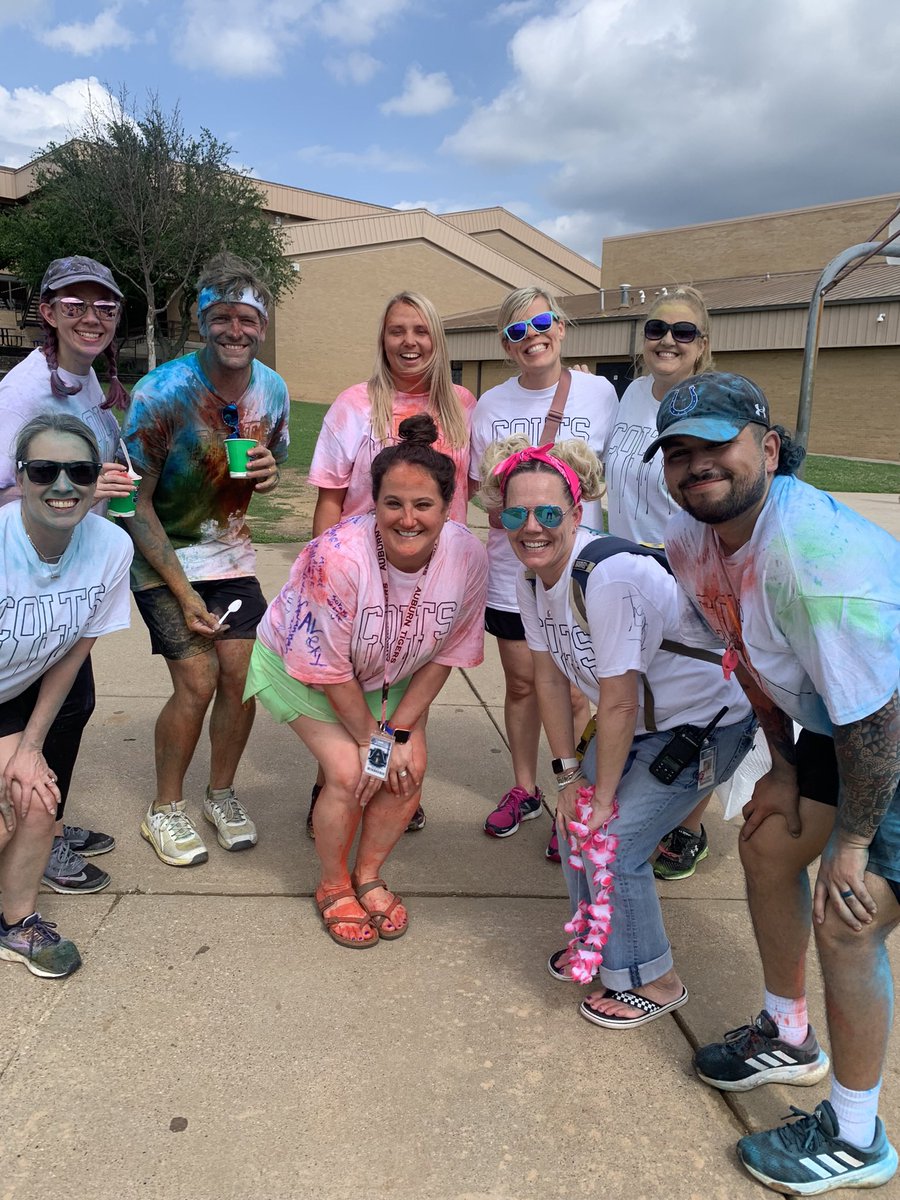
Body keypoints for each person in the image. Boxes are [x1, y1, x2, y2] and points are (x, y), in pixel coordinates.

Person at [645, 371, 900, 1193]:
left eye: (716, 443)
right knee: (766, 846)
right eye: (679, 452)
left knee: (847, 920)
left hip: (885, 725)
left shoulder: (816, 556)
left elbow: (878, 725)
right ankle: (789, 1035)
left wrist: (854, 843)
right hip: (843, 718)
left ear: (769, 448)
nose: (697, 465)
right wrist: (783, 771)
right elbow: (747, 654)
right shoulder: (696, 535)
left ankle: (858, 1138)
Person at [479, 435, 754, 1024]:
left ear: (577, 514)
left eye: (549, 513)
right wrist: (568, 777)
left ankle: (657, 980)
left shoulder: (607, 577)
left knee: (616, 841)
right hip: (644, 723)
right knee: (578, 822)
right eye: (515, 513)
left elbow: (620, 701)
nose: (532, 527)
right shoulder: (531, 579)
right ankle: (598, 942)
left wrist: (602, 799)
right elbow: (550, 680)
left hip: (705, 724)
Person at [246, 414, 487, 947]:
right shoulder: (336, 559)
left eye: (423, 505)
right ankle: (333, 884)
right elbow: (329, 669)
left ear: (448, 508)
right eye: (392, 503)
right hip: (304, 667)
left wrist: (398, 737)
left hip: (390, 672)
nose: (407, 518)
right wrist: (373, 743)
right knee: (349, 769)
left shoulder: (468, 556)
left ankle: (368, 873)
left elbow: (448, 651)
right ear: (372, 502)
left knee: (410, 768)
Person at [121, 251, 289, 867]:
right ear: (201, 320)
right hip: (162, 558)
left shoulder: (273, 390)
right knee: (197, 681)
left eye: (248, 319)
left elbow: (266, 466)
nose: (236, 331)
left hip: (231, 555)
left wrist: (269, 475)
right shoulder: (160, 392)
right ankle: (164, 808)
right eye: (222, 317)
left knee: (243, 679)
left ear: (262, 326)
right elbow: (133, 505)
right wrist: (183, 591)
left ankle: (221, 793)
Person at [306, 290, 476, 835]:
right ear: (383, 339)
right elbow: (330, 498)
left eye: (420, 330)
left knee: (408, 690)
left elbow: (478, 491)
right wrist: (319, 575)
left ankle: (394, 781)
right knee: (347, 685)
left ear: (437, 339)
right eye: (397, 330)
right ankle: (333, 784)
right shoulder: (355, 404)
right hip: (361, 575)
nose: (409, 342)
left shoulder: (463, 406)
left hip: (432, 575)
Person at [0, 255, 135, 895]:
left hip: (73, 572)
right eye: (74, 305)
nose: (92, 318)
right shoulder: (23, 393)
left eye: (104, 307)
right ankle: (39, 830)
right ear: (47, 313)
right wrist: (75, 493)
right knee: (44, 705)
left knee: (74, 702)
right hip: (31, 580)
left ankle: (50, 818)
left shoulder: (83, 384)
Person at [469, 287, 617, 861]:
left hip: (582, 571)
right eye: (515, 330)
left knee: (579, 688)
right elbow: (487, 494)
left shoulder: (601, 392)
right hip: (514, 570)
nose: (532, 335)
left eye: (541, 322)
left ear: (560, 325)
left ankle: (572, 794)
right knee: (524, 683)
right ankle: (526, 787)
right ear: (506, 346)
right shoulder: (491, 405)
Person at [0, 415, 132, 977]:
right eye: (44, 471)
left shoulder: (110, 547)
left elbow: (73, 653)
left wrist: (31, 748)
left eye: (78, 471)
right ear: (20, 476)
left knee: (34, 801)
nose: (62, 486)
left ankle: (17, 923)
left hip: (14, 695)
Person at [604, 285, 716, 880]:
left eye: (683, 332)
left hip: (686, 578)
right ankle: (641, 810)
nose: (667, 340)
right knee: (640, 703)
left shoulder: (711, 407)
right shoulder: (631, 397)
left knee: (697, 708)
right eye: (656, 328)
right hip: (627, 572)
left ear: (703, 344)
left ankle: (690, 826)